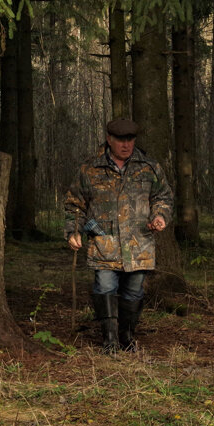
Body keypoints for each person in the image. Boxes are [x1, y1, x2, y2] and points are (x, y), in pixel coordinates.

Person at [64, 118, 173, 353]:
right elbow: (75, 203)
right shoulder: (90, 168)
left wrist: (160, 216)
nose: (126, 145)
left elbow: (163, 197)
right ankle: (109, 340)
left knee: (134, 291)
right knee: (104, 288)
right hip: (104, 242)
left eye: (130, 140)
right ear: (109, 139)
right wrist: (73, 231)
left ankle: (127, 337)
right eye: (121, 140)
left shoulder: (149, 167)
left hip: (139, 243)